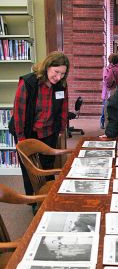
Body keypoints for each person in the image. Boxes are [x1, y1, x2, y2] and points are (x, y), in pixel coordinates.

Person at [10, 51, 70, 213]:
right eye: (56, 72)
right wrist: (22, 140)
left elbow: (64, 108)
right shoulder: (29, 83)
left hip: (49, 131)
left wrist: (61, 128)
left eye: (62, 74)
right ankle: (34, 202)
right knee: (30, 168)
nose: (58, 77)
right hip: (27, 131)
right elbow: (19, 113)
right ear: (47, 67)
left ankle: (47, 199)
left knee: (47, 165)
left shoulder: (61, 85)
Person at [100, 53, 118, 129]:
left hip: (113, 93)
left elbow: (108, 82)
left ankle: (109, 129)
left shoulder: (112, 70)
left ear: (112, 61)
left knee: (109, 111)